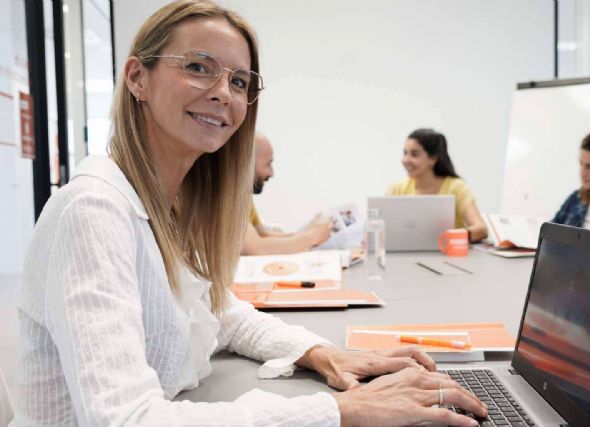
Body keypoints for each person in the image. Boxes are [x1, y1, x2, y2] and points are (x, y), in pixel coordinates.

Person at [11, 2, 487, 426]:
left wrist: (320, 352)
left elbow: (220, 313)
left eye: (239, 81)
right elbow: (128, 418)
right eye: (199, 67)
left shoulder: (169, 203)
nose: (224, 93)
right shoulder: (94, 210)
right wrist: (339, 411)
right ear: (138, 77)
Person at [387, 128, 488, 242]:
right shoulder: (397, 189)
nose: (405, 160)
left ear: (433, 159)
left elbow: (481, 229)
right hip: (404, 256)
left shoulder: (456, 187)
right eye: (405, 153)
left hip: (447, 256)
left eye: (414, 154)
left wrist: (450, 237)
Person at [243, 132, 333, 255]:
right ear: (248, 164)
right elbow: (257, 248)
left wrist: (307, 231)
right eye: (268, 164)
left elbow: (262, 234)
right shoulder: (230, 200)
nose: (272, 173)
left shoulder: (245, 198)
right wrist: (312, 236)